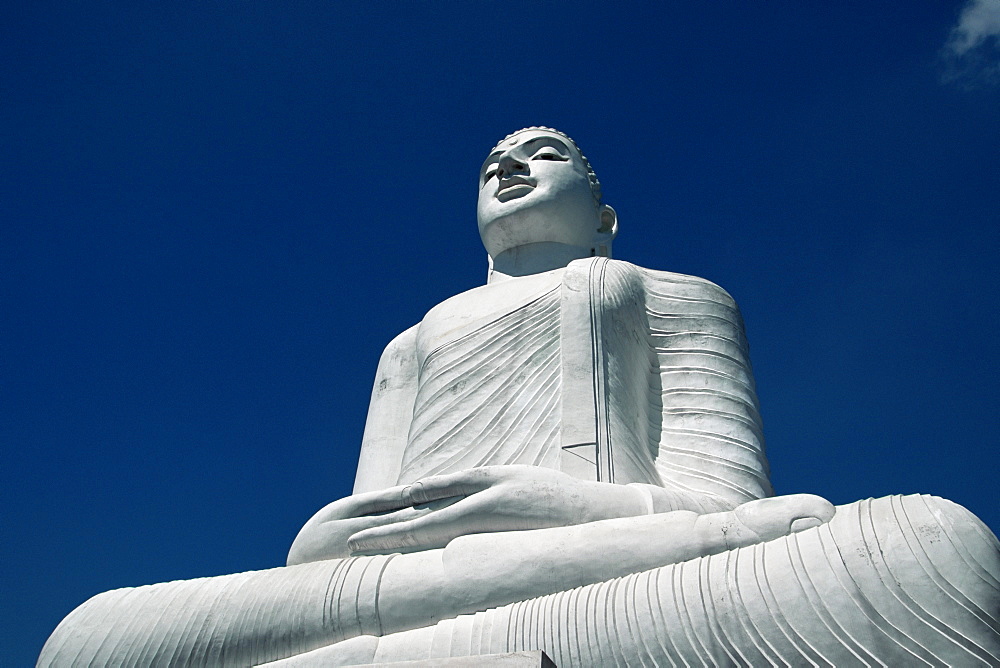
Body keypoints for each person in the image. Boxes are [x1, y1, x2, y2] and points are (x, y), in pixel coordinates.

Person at [39, 129, 999, 667]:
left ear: (603, 212)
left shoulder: (667, 294)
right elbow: (326, 545)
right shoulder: (409, 343)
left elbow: (727, 511)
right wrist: (388, 536)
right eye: (491, 164)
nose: (507, 169)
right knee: (90, 637)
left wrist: (541, 504)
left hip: (615, 565)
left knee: (923, 547)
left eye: (542, 154)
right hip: (390, 584)